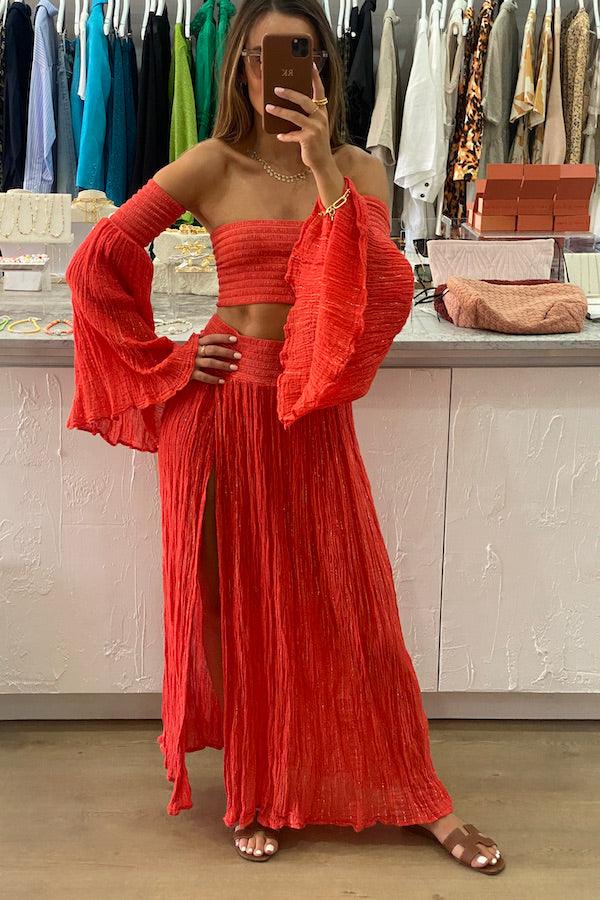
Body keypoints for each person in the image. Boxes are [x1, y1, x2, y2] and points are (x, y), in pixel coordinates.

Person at [65, 0, 504, 875]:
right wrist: (168, 361)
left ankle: (419, 792)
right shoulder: (212, 163)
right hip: (221, 414)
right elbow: (95, 262)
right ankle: (256, 787)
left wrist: (322, 172)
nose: (276, 72)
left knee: (352, 602)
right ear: (238, 67)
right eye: (261, 57)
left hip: (310, 413)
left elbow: (377, 290)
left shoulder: (358, 169)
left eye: (296, 53)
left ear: (325, 66)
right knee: (235, 607)